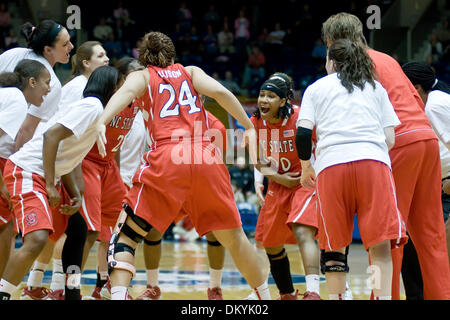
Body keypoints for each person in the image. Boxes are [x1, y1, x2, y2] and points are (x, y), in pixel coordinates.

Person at [95, 31, 270, 300]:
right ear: (173, 55)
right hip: (204, 156)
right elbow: (222, 92)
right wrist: (248, 125)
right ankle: (263, 296)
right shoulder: (191, 71)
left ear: (144, 59)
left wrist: (101, 120)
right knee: (235, 239)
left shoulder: (141, 76)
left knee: (126, 237)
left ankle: (118, 295)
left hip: (168, 155)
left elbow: (126, 93)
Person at [321, 12, 450, 300]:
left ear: (333, 42)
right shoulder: (388, 59)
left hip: (396, 144)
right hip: (426, 140)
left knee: (388, 235)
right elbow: (416, 102)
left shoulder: (353, 65)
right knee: (432, 236)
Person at [296, 38, 407, 300]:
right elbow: (390, 139)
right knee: (379, 249)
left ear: (331, 61)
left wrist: (305, 167)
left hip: (331, 168)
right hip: (373, 164)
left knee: (335, 249)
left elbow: (303, 135)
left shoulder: (316, 88)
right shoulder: (376, 88)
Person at [0, 66, 119, 300]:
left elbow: (66, 154)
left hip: (45, 173)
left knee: (80, 229)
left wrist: (75, 192)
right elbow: (51, 136)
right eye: (121, 86)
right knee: (38, 238)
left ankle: (71, 291)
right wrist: (52, 186)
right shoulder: (92, 106)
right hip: (28, 170)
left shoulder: (99, 112)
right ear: (112, 88)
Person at [22, 41, 110, 300]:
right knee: (78, 229)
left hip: (71, 161)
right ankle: (59, 288)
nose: (106, 59)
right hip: (70, 162)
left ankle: (40, 285)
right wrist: (60, 178)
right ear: (85, 62)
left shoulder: (89, 92)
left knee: (73, 228)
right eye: (101, 55)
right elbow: (57, 134)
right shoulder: (79, 90)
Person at [135, 110, 228, 301]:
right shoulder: (165, 116)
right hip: (172, 181)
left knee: (214, 233)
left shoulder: (215, 125)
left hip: (201, 182)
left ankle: (215, 288)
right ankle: (152, 287)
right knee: (153, 231)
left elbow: (215, 161)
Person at [249, 72, 321, 300]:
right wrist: (260, 181)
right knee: (269, 243)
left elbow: (321, 146)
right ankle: (287, 294)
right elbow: (258, 160)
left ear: (283, 101)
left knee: (303, 231)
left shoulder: (300, 117)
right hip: (279, 182)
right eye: (262, 95)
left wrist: (313, 174)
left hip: (305, 181)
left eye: (270, 96)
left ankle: (313, 292)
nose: (263, 100)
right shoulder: (256, 122)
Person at [82, 57, 143, 301]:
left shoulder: (138, 102)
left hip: (109, 168)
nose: (141, 78)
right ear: (120, 79)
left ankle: (107, 288)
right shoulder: (101, 103)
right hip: (86, 164)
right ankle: (64, 287)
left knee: (119, 231)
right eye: (136, 74)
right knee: (86, 231)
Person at [400, 61, 450, 300]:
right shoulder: (436, 99)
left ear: (417, 88)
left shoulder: (435, 106)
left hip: (445, 188)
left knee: (438, 252)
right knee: (412, 247)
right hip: (434, 186)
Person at [0, 59, 51, 284]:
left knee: (7, 227)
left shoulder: (10, 96)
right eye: (46, 82)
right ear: (31, 82)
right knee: (5, 227)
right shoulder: (17, 99)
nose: (48, 89)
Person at [0, 20, 73, 150]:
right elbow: (26, 130)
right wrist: (14, 167)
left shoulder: (13, 52)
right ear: (48, 49)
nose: (71, 46)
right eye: (65, 44)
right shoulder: (52, 83)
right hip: (5, 154)